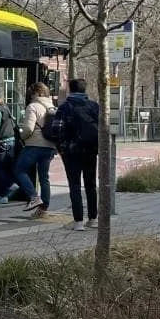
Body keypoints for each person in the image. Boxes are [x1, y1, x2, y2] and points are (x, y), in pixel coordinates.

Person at [54, 77, 100, 229]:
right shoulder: (94, 106)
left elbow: (56, 130)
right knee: (91, 184)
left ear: (70, 89)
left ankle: (78, 221)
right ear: (84, 89)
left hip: (71, 151)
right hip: (91, 150)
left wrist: (61, 149)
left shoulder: (65, 107)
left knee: (74, 185)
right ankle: (93, 218)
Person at [15, 81, 57, 214]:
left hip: (34, 144)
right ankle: (44, 207)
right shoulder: (52, 106)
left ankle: (34, 197)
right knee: (44, 176)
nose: (30, 96)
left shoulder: (33, 106)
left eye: (31, 93)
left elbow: (28, 128)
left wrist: (22, 136)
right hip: (50, 146)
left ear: (36, 93)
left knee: (19, 170)